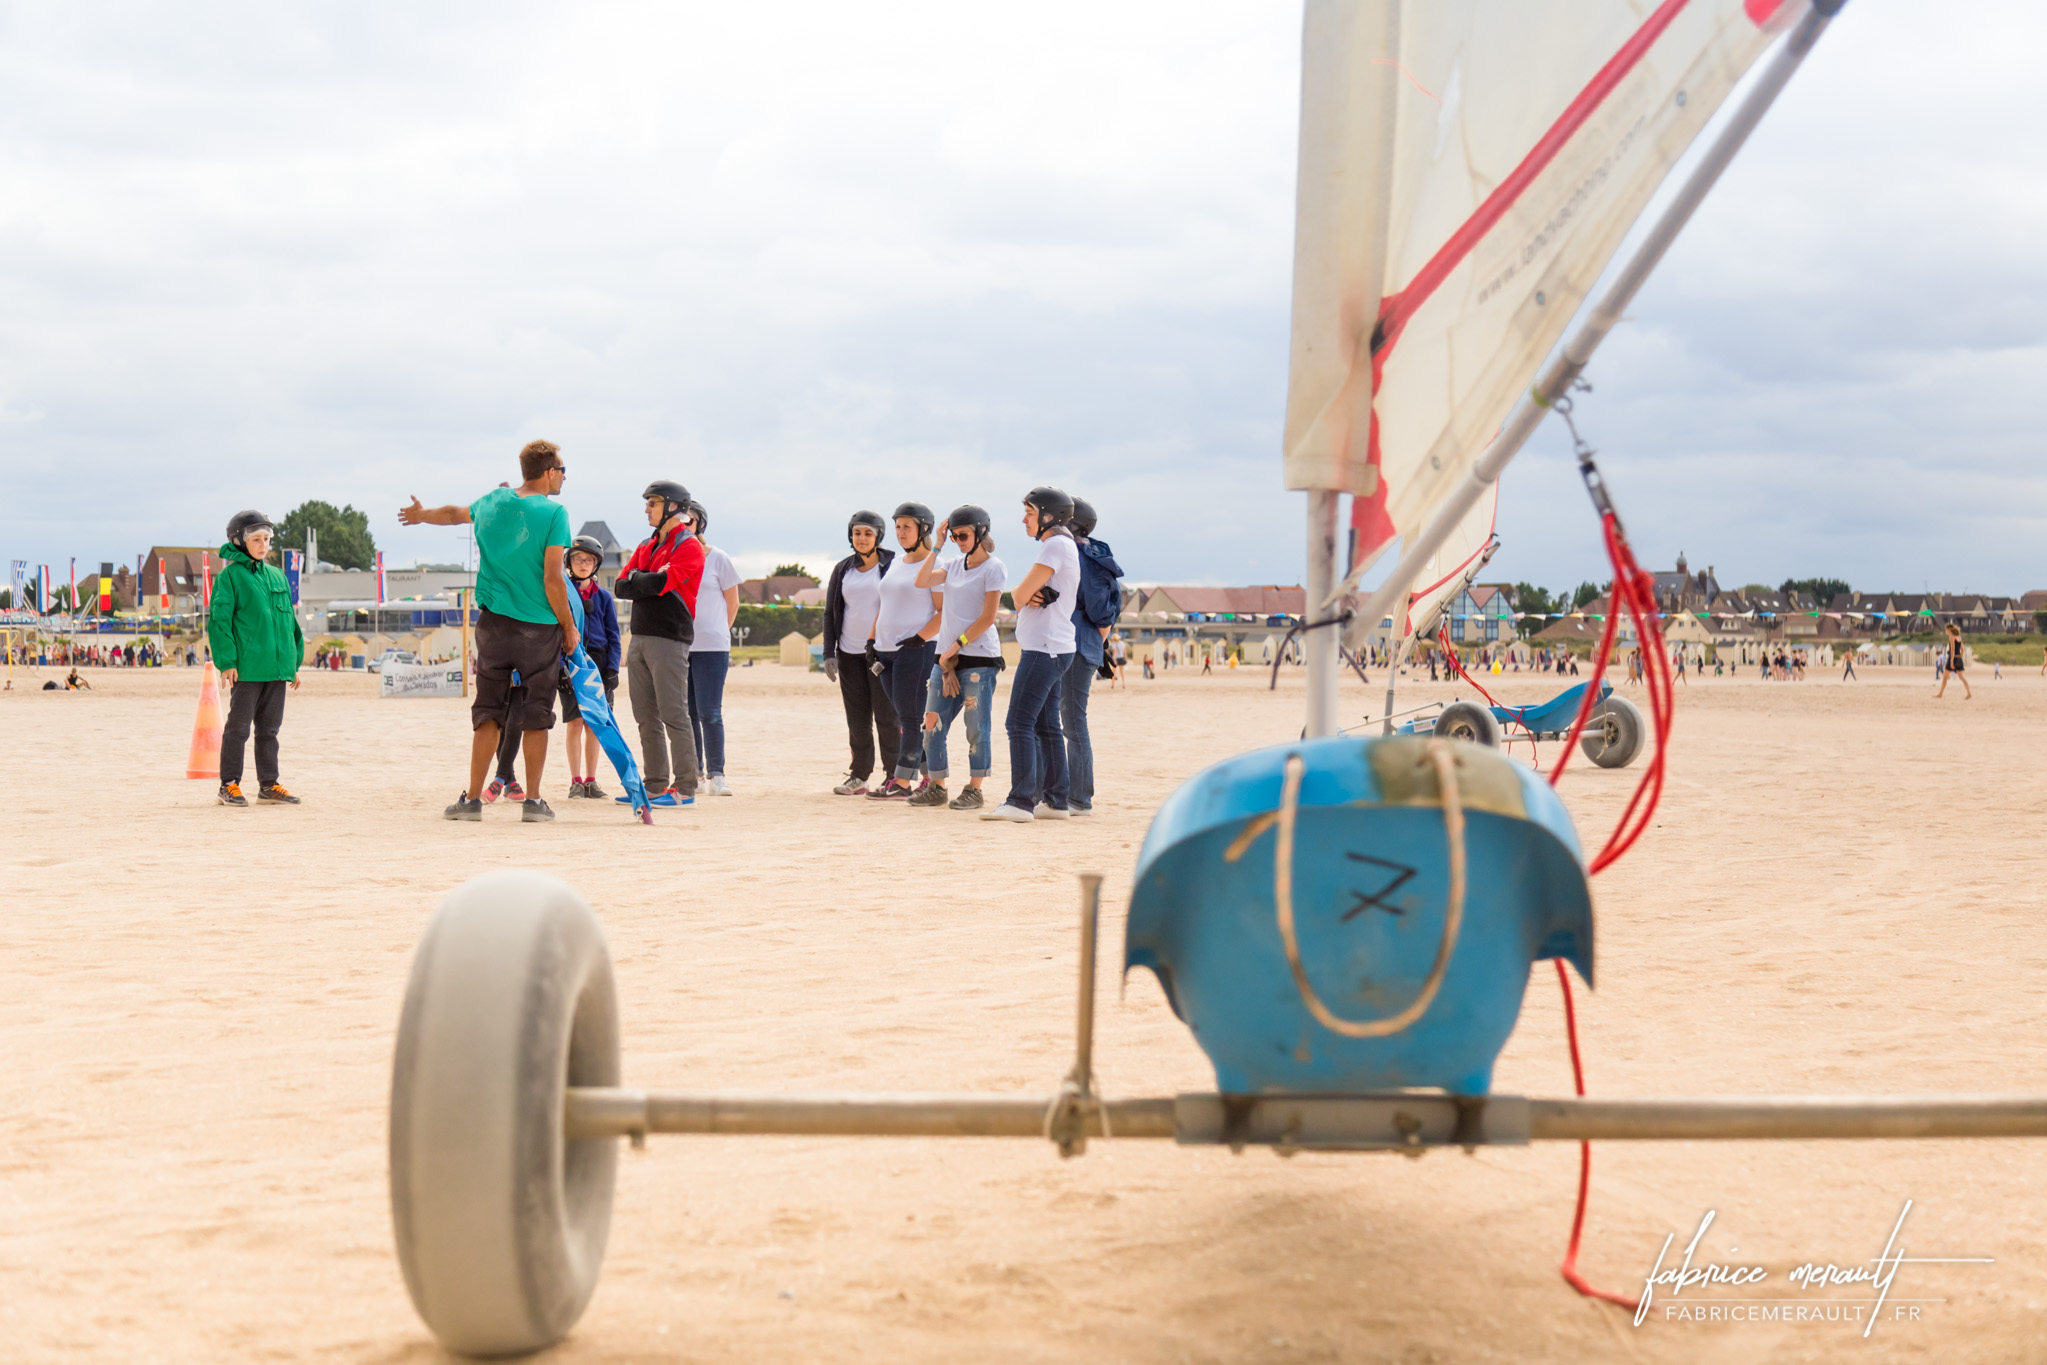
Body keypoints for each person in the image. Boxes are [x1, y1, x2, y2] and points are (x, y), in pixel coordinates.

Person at [400, 439, 579, 823]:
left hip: (493, 625)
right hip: (539, 627)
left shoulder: (492, 503)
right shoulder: (554, 512)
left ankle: (471, 800)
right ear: (548, 472)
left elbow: (451, 514)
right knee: (536, 714)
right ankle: (532, 801)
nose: (563, 477)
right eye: (562, 471)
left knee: (488, 713)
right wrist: (568, 626)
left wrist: (419, 515)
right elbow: (553, 578)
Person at [983, 486, 1080, 823]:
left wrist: (1024, 593)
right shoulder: (1062, 545)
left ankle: (1020, 802)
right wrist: (1027, 594)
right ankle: (1056, 802)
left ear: (1048, 516)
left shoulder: (1054, 544)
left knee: (1018, 722)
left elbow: (1019, 594)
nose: (1024, 518)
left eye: (1029, 512)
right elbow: (1025, 595)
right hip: (1054, 647)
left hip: (1044, 649)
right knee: (1046, 726)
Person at [613, 480, 706, 807]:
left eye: (652, 503)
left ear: (672, 506)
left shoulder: (689, 545)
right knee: (645, 717)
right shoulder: (646, 545)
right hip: (638, 638)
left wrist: (644, 579)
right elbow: (621, 587)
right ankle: (654, 785)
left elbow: (663, 582)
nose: (646, 509)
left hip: (669, 638)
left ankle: (684, 789)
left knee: (674, 714)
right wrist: (644, 580)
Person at [910, 504, 1006, 810]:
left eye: (963, 535)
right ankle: (937, 787)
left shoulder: (994, 568)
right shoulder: (951, 565)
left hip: (979, 659)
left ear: (981, 533)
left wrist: (957, 645)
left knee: (976, 727)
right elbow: (921, 581)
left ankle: (975, 789)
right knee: (931, 723)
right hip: (946, 660)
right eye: (954, 536)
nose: (958, 541)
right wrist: (936, 546)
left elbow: (988, 617)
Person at [207, 510, 305, 807]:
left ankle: (269, 784)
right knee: (237, 729)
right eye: (256, 540)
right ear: (239, 541)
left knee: (269, 730)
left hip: (276, 670)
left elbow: (290, 624)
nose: (263, 545)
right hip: (247, 669)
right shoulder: (229, 577)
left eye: (266, 539)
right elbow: (220, 621)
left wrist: (293, 664)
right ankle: (229, 784)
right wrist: (227, 662)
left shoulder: (276, 575)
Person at [820, 510, 898, 795]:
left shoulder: (892, 565)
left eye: (867, 533)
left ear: (878, 535)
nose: (861, 538)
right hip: (849, 654)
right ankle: (860, 775)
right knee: (857, 719)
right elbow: (830, 612)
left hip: (882, 653)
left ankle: (894, 776)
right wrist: (829, 652)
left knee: (887, 717)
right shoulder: (843, 569)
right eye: (856, 533)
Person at [869, 502, 942, 800]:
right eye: (897, 527)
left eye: (906, 527)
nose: (900, 532)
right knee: (905, 715)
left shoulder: (935, 566)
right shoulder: (896, 562)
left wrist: (919, 639)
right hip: (884, 650)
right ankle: (927, 777)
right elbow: (884, 604)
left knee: (911, 719)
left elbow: (943, 612)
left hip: (914, 651)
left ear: (923, 529)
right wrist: (871, 642)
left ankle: (900, 783)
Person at [1060, 496, 1123, 816]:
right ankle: (1063, 793)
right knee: (1066, 723)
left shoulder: (1084, 556)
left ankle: (1079, 798)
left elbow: (1101, 613)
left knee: (1072, 723)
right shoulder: (1081, 553)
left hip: (1076, 647)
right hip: (1070, 645)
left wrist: (1093, 643)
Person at [685, 500, 742, 797]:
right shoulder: (674, 558)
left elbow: (732, 602)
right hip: (680, 645)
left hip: (712, 648)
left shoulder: (718, 558)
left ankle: (717, 774)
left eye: (690, 521)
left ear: (700, 524)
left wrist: (718, 631)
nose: (684, 526)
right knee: (687, 713)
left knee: (710, 712)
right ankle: (694, 774)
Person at [565, 535, 622, 798]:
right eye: (577, 559)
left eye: (588, 560)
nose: (583, 564)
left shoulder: (604, 597)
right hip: (571, 660)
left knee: (595, 724)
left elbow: (614, 636)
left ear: (596, 564)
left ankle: (591, 779)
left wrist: (612, 670)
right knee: (575, 722)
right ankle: (575, 780)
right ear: (569, 562)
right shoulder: (562, 592)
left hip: (598, 662)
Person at [1936, 623, 1972, 699]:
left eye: (1946, 629)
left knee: (1945, 677)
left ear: (1949, 629)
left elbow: (1952, 650)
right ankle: (1969, 693)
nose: (1945, 630)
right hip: (1959, 658)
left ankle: (1940, 694)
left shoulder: (1951, 637)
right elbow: (1962, 649)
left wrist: (1952, 661)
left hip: (1953, 658)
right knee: (1962, 677)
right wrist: (1960, 657)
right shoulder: (1959, 637)